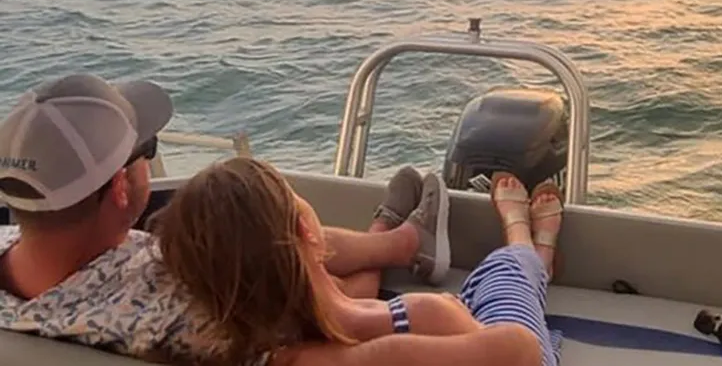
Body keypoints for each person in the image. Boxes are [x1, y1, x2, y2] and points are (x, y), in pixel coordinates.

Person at [0, 73, 449, 363]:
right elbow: (337, 333)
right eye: (147, 149)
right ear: (120, 187)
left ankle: (392, 243)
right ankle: (389, 244)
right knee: (262, 237)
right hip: (302, 319)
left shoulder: (23, 270)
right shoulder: (185, 311)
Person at [151, 155, 565, 366]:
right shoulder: (401, 330)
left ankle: (527, 258)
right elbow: (519, 350)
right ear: (308, 232)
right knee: (503, 281)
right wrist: (418, 313)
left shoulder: (252, 327)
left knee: (474, 291)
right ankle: (526, 248)